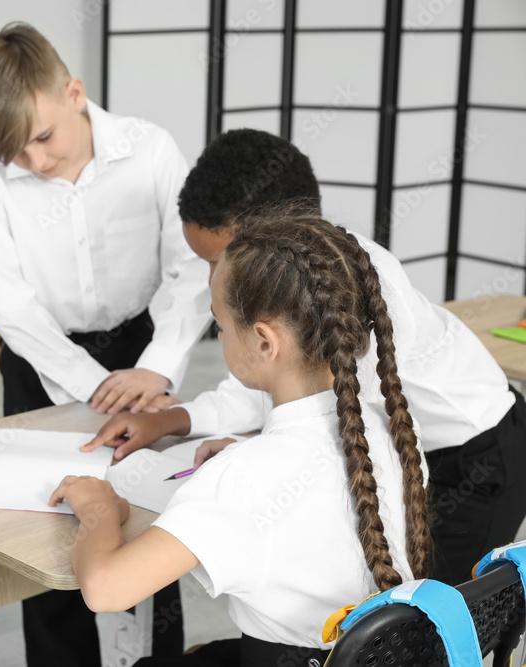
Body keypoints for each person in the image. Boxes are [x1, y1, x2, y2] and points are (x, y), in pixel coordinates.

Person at [85, 128, 526, 587]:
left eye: (218, 260)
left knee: (429, 625)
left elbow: (322, 421)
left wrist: (247, 454)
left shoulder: (348, 286)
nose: (212, 277)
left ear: (273, 242)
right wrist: (172, 419)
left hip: (476, 454)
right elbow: (273, 397)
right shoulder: (310, 275)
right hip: (413, 451)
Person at [53, 215, 432, 665]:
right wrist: (246, 459)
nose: (219, 334)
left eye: (221, 323)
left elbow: (105, 589)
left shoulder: (243, 479)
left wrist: (98, 508)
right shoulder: (392, 427)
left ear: (264, 341)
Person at [0, 22, 211, 665]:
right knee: (44, 526)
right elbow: (6, 298)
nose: (36, 163)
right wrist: (87, 382)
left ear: (74, 92)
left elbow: (191, 266)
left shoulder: (149, 149)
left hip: (141, 351)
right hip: (40, 355)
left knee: (151, 517)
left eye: (42, 138)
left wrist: (154, 367)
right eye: (18, 154)